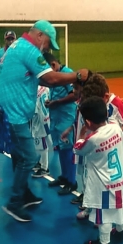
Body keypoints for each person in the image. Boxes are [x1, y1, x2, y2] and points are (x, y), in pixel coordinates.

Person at [0, 19, 90, 223]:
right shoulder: (29, 50)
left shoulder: (17, 46)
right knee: (29, 157)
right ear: (39, 36)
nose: (46, 49)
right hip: (14, 114)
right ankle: (15, 202)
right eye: (47, 43)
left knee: (19, 156)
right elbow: (50, 79)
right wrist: (78, 76)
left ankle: (25, 194)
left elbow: (39, 78)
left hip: (7, 111)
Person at [73, 96, 123, 244]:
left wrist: (81, 134)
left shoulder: (93, 138)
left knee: (104, 213)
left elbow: (78, 149)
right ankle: (121, 230)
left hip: (104, 183)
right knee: (119, 207)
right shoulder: (116, 127)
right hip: (120, 178)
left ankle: (103, 243)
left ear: (88, 122)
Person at [42, 52, 78, 195]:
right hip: (56, 116)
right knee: (61, 147)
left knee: (68, 148)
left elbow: (75, 95)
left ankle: (72, 182)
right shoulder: (54, 77)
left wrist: (56, 102)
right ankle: (64, 176)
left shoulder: (67, 74)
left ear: (53, 64)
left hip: (66, 117)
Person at [31, 85, 51, 178]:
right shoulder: (45, 87)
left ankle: (44, 168)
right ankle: (41, 163)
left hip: (40, 120)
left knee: (42, 144)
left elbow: (32, 109)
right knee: (45, 141)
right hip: (46, 117)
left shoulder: (32, 90)